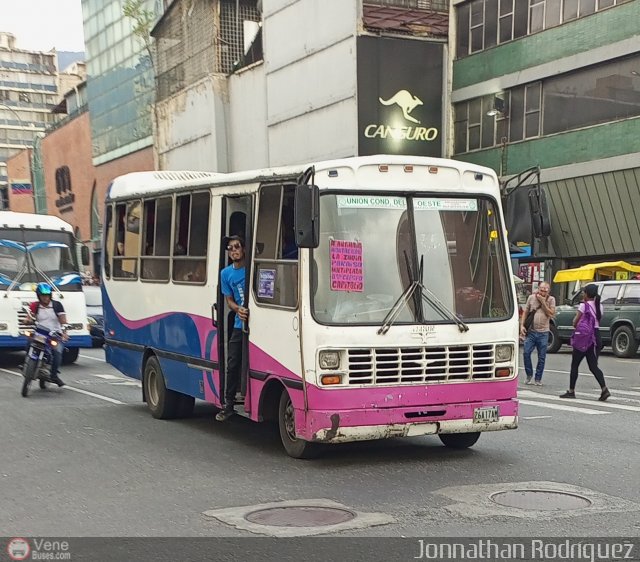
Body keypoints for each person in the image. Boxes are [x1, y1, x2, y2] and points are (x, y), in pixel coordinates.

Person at [216, 235, 248, 421]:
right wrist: (239, 309)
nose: (234, 250)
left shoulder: (252, 268)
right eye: (230, 248)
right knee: (232, 362)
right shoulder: (225, 274)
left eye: (237, 246)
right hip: (239, 323)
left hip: (258, 324)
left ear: (243, 249)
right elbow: (229, 301)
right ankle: (228, 404)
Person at [560, 284, 611, 401]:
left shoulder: (583, 306)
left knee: (575, 364)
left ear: (587, 294)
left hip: (584, 338)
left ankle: (571, 391)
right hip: (596, 337)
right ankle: (604, 389)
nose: (583, 294)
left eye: (584, 292)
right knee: (593, 366)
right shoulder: (600, 306)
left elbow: (575, 322)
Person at [26, 282, 68, 387]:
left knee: (58, 351)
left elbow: (63, 321)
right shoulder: (35, 305)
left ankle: (54, 375)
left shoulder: (57, 305)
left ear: (50, 295)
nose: (45, 298)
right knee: (28, 342)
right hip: (40, 333)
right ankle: (26, 363)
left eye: (47, 296)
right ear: (38, 296)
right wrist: (27, 320)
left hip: (54, 334)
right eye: (43, 296)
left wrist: (64, 333)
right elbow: (29, 317)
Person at [520, 282, 556, 386]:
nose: (543, 292)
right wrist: (522, 325)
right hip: (531, 331)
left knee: (542, 357)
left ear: (548, 291)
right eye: (541, 290)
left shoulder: (551, 299)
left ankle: (538, 378)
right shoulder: (531, 298)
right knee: (526, 353)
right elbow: (526, 312)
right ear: (538, 289)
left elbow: (551, 313)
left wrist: (543, 302)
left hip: (543, 332)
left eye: (545, 291)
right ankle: (529, 374)